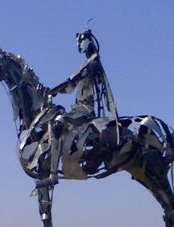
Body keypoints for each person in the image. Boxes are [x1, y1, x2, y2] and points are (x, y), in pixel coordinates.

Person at [36, 29, 118, 188]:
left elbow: (70, 84)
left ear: (87, 41)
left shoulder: (92, 63)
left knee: (57, 122)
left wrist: (49, 91)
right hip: (79, 107)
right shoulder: (92, 62)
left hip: (85, 108)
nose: (78, 45)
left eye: (80, 41)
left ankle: (53, 175)